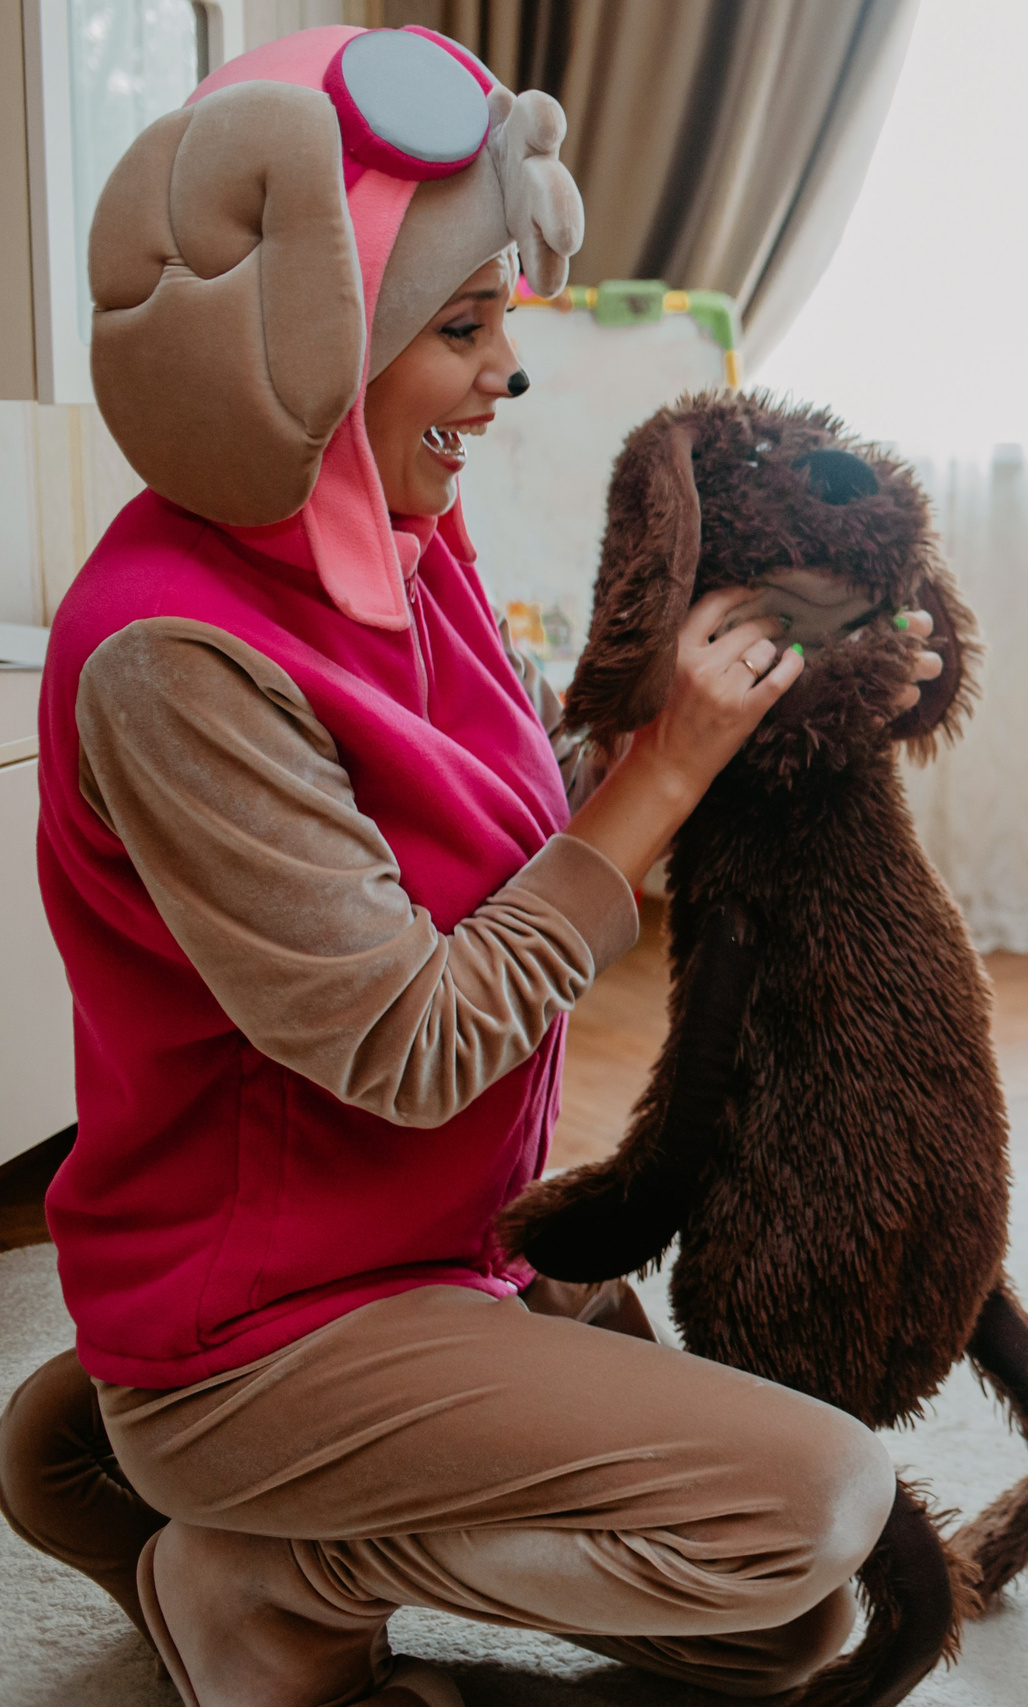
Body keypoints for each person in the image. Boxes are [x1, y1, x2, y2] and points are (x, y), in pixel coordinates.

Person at [0, 27, 938, 1707]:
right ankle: (262, 1558)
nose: (507, 373)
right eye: (461, 327)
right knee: (814, 1509)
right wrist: (656, 778)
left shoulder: (395, 544)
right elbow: (411, 1045)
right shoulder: (175, 656)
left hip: (434, 1254)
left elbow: (503, 836)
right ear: (300, 345)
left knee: (781, 1634)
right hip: (281, 1321)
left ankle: (118, 1458)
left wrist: (742, 717)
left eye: (504, 313)